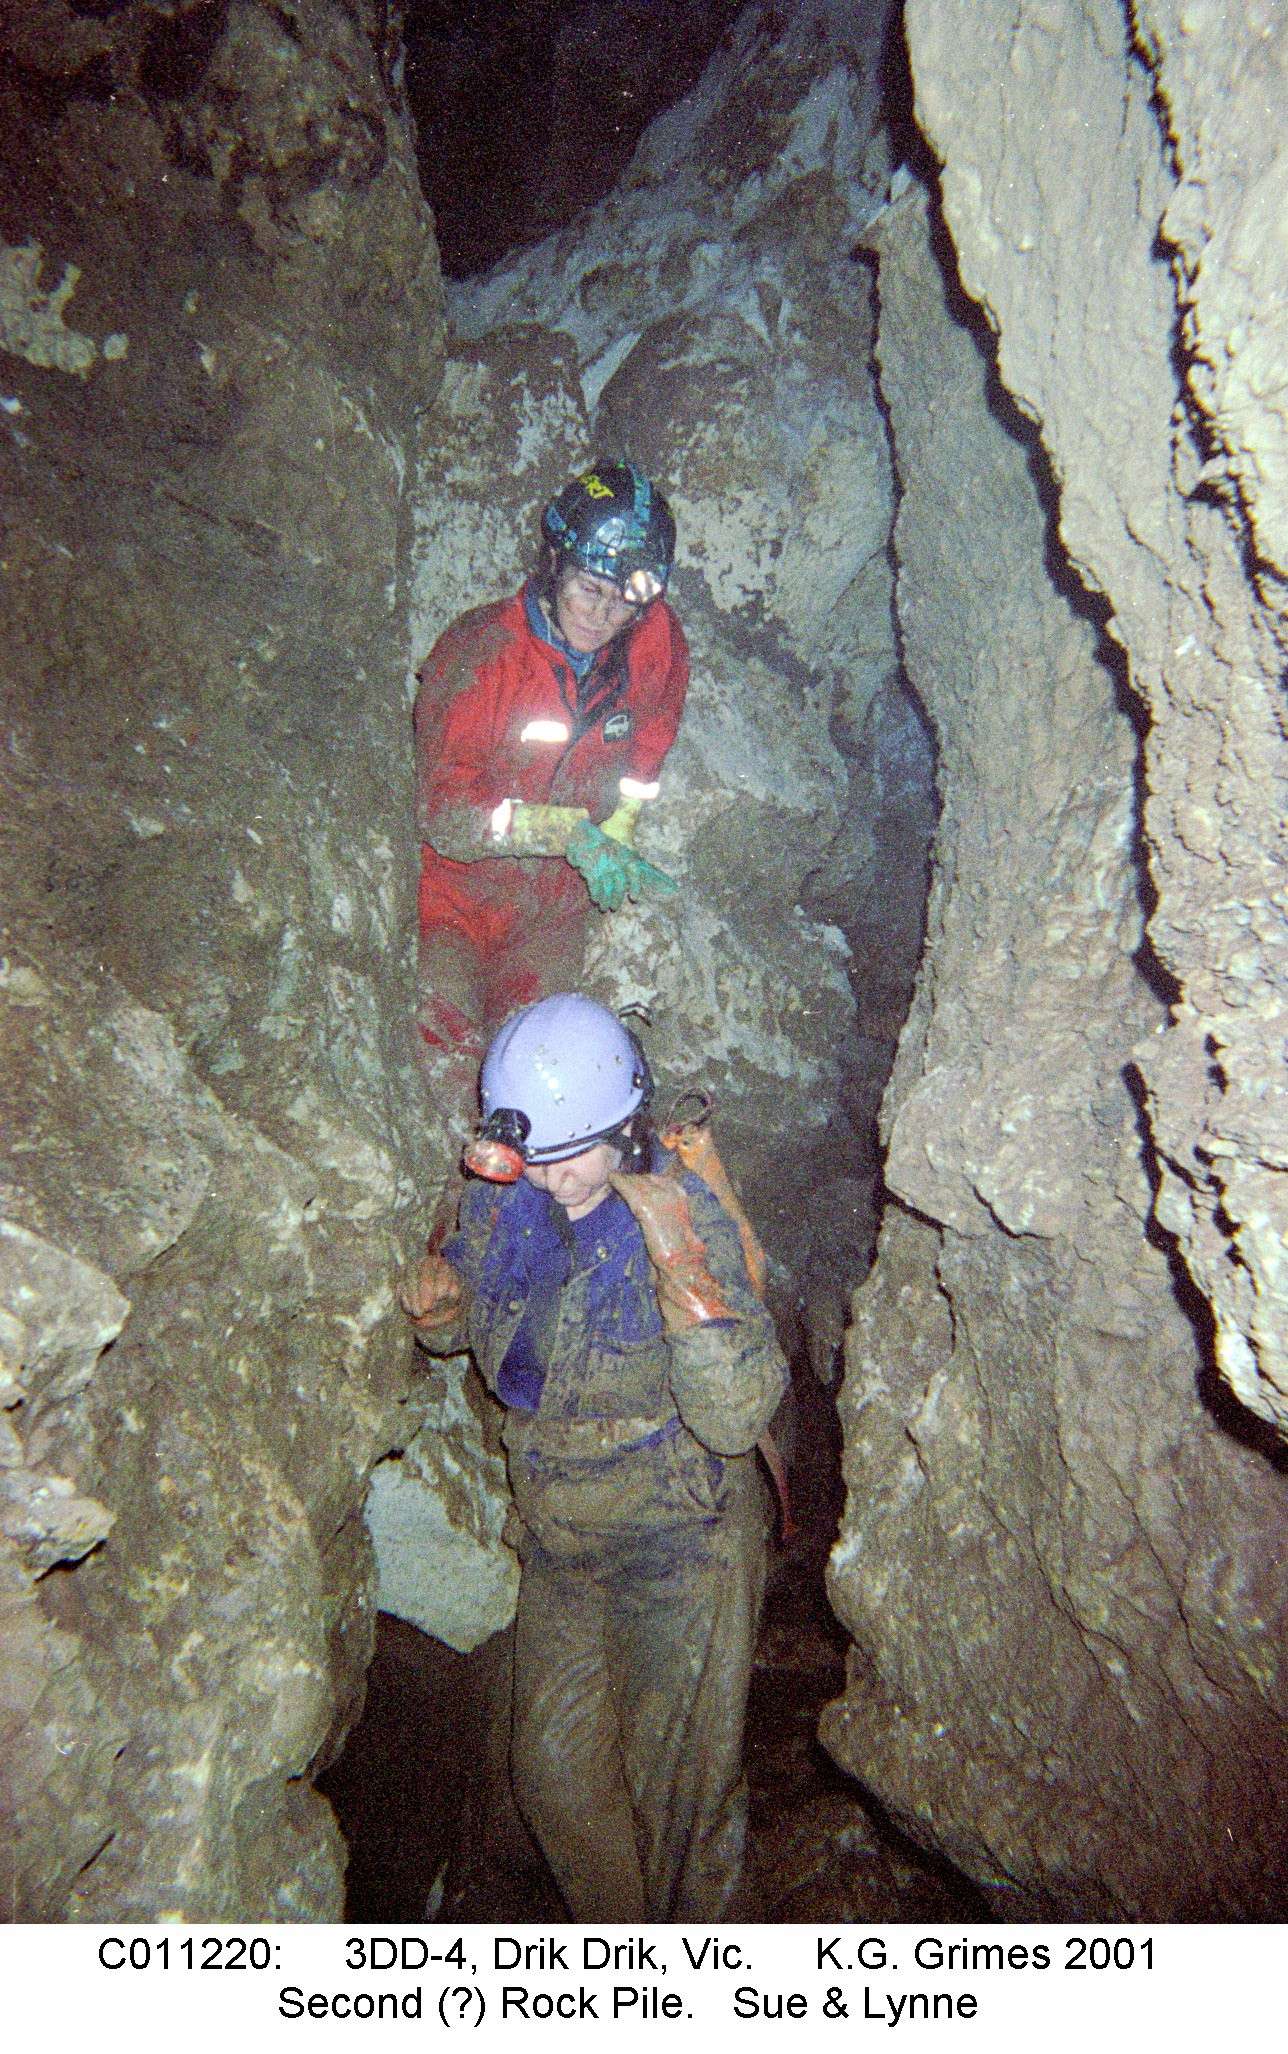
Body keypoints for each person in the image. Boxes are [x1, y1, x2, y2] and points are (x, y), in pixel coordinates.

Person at [400, 993, 787, 1920]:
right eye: (535, 1158)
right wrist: (445, 1313)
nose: (551, 1179)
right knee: (555, 1779)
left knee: (681, 1801)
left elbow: (736, 1420)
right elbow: (486, 1327)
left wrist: (681, 1268)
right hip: (563, 1536)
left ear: (624, 1128)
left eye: (572, 1156)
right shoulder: (506, 1198)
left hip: (682, 1531)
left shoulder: (685, 1210)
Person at [413, 463, 689, 1116]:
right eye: (590, 589)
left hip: (551, 911)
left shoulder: (651, 642)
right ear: (554, 564)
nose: (604, 614)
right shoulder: (482, 654)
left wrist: (623, 821)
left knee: (543, 1075)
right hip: (452, 900)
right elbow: (445, 814)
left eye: (624, 600)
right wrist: (564, 832)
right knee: (448, 1062)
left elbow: (652, 737)